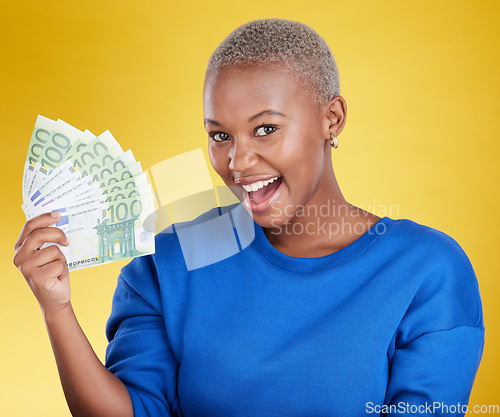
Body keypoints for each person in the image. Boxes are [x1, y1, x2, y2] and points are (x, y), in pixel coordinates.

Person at [13, 18, 484, 417]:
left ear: (332, 119)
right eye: (220, 136)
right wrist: (56, 309)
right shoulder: (172, 261)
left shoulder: (427, 271)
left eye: (265, 129)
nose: (238, 163)